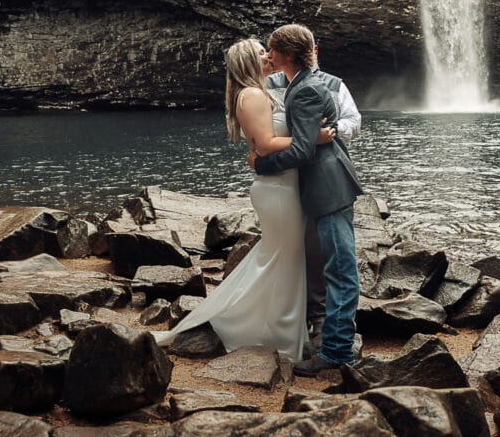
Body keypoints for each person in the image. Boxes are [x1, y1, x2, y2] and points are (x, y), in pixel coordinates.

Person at [153, 38, 335, 362]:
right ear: (249, 61)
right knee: (283, 259)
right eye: (261, 52)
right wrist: (313, 138)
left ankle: (279, 329)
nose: (268, 56)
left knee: (280, 259)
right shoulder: (251, 95)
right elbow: (264, 145)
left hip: (282, 186)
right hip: (277, 190)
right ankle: (265, 332)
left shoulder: (258, 92)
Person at [249, 24, 364, 376]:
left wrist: (263, 163)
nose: (267, 55)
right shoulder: (301, 83)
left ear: (286, 53)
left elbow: (301, 148)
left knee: (340, 268)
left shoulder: (306, 90)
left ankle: (337, 351)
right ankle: (332, 341)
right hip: (322, 185)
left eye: (271, 49)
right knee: (337, 265)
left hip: (328, 187)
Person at [265, 47, 361, 337]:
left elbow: (354, 122)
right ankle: (291, 312)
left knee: (319, 248)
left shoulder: (332, 84)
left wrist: (329, 130)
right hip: (286, 178)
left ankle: (321, 321)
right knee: (285, 244)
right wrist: (304, 137)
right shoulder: (267, 86)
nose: (268, 56)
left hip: (315, 176)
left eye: (272, 51)